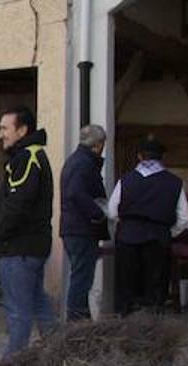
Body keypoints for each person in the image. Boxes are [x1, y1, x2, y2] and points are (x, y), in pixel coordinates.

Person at [0, 105, 56, 358]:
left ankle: (12, 365)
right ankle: (58, 355)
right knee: (38, 304)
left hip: (19, 248)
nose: (1, 134)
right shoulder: (31, 155)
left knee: (18, 311)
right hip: (30, 247)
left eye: (5, 128)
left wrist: (0, 232)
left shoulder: (27, 158)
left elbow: (17, 204)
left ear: (22, 130)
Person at [108, 137, 188, 316]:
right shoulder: (174, 182)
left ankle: (122, 319)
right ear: (162, 158)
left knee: (126, 284)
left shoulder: (126, 180)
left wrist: (123, 228)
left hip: (128, 237)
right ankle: (153, 325)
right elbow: (184, 217)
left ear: (139, 157)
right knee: (155, 285)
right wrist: (169, 232)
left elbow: (112, 211)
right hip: (158, 237)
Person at [59, 124, 109, 321]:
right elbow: (76, 193)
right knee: (81, 278)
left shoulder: (75, 161)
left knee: (81, 276)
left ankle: (82, 321)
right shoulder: (83, 164)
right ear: (97, 145)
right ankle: (76, 323)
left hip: (73, 227)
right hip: (81, 229)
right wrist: (98, 213)